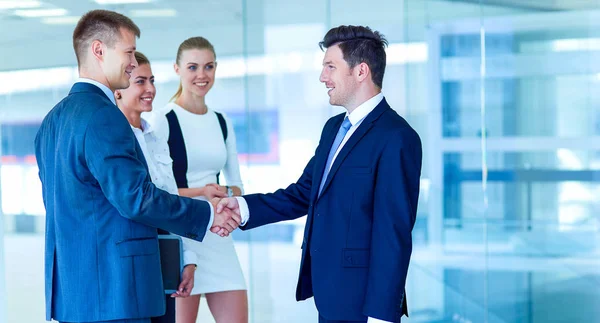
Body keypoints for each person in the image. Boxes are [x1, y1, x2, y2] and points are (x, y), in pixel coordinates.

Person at [34, 10, 240, 323]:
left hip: (75, 295)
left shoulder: (51, 122)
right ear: (99, 50)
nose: (132, 62)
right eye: (128, 52)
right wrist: (207, 213)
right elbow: (136, 198)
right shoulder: (104, 116)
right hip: (117, 292)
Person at [217, 25, 422, 323]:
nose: (322, 77)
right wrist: (244, 207)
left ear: (361, 71)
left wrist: (381, 316)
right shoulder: (333, 129)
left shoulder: (397, 137)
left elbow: (393, 234)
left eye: (330, 66)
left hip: (364, 303)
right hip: (329, 294)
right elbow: (304, 193)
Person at [155, 36, 248, 323]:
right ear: (177, 69)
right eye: (193, 67)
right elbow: (160, 192)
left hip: (219, 236)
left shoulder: (222, 121)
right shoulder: (163, 119)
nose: (201, 75)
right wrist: (203, 191)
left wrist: (222, 192)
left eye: (208, 67)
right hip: (185, 238)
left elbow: (238, 186)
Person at [114, 51, 197, 323]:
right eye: (140, 81)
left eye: (152, 80)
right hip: (132, 263)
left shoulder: (156, 135)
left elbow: (171, 199)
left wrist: (189, 259)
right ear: (118, 92)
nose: (150, 89)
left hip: (165, 258)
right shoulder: (114, 141)